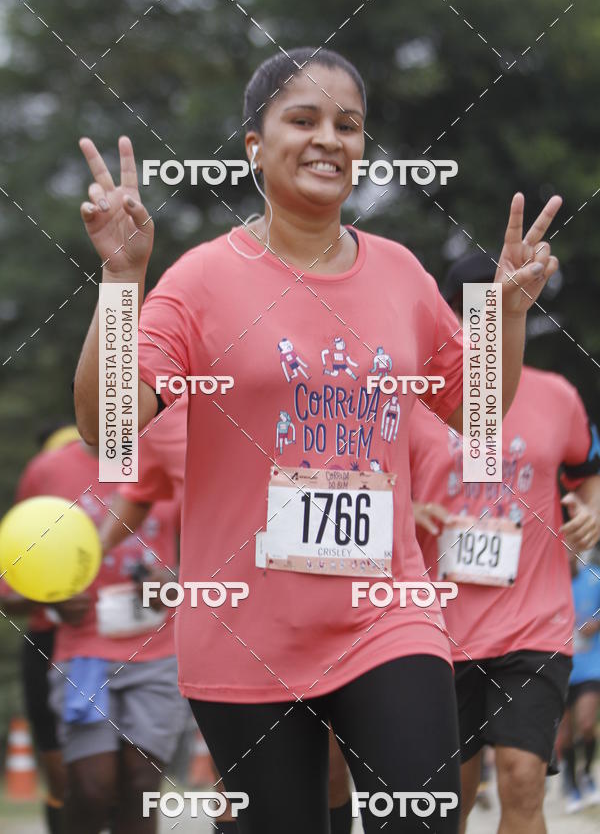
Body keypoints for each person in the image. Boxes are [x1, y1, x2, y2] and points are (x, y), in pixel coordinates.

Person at [73, 46, 561, 834]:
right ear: (254, 145)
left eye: (348, 125)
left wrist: (504, 317)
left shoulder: (401, 274)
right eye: (302, 120)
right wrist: (122, 282)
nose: (329, 139)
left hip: (388, 614)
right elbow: (111, 432)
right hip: (244, 633)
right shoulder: (200, 279)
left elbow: (476, 418)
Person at [100, 394, 354, 833]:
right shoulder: (171, 420)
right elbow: (138, 492)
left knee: (329, 771)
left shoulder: (311, 397)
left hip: (322, 601)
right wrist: (88, 553)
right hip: (233, 613)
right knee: (237, 774)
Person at [409, 252, 600, 834]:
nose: (482, 324)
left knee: (521, 778)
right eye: (469, 311)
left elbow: (587, 473)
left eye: (495, 309)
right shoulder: (415, 400)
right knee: (453, 797)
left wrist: (591, 514)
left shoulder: (557, 396)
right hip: (435, 628)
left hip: (534, 625)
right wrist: (405, 510)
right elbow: (368, 481)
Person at [13, 432, 187, 834]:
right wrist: (50, 600)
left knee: (141, 786)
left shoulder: (172, 460)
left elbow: (215, 558)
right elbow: (12, 579)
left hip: (159, 652)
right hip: (83, 654)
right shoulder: (48, 471)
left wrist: (174, 580)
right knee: (93, 787)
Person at [0, 424, 83, 834]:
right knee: (60, 774)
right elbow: (7, 595)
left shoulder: (128, 504)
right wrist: (51, 598)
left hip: (120, 651)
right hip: (47, 646)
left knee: (118, 777)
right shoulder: (31, 524)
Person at [557, 552, 600, 813]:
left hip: (590, 666)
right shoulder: (549, 582)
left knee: (586, 724)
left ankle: (586, 773)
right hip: (559, 669)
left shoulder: (595, 576)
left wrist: (597, 623)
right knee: (564, 735)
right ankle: (570, 783)